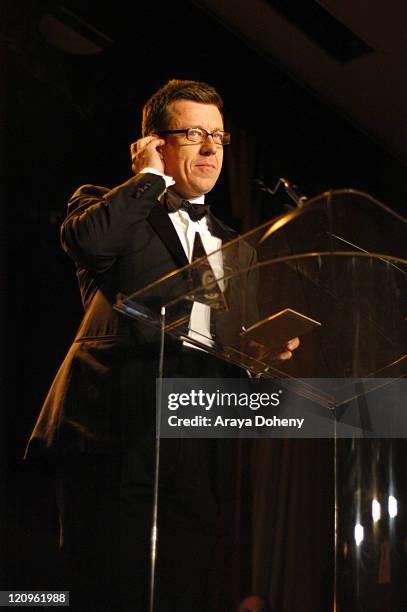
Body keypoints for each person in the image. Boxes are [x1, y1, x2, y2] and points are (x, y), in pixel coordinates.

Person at [25, 79, 299, 611]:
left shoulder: (236, 246)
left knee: (182, 588)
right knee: (106, 587)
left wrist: (259, 357)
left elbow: (227, 348)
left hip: (196, 438)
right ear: (154, 142)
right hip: (116, 426)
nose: (210, 149)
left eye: (218, 136)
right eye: (194, 133)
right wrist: (146, 179)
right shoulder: (110, 207)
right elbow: (87, 242)